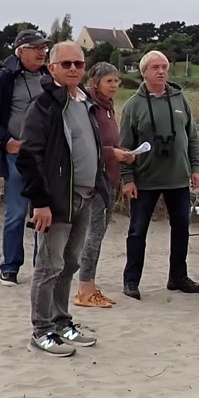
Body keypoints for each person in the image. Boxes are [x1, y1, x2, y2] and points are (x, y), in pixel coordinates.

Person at [18, 42, 110, 357]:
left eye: (79, 64)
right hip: (56, 201)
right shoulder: (43, 106)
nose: (73, 69)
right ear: (52, 68)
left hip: (85, 196)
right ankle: (40, 330)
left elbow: (92, 147)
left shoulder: (85, 102)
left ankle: (61, 322)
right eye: (66, 63)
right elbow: (29, 157)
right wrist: (40, 202)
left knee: (70, 263)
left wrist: (98, 184)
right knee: (49, 265)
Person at [119, 50, 199, 300]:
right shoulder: (133, 106)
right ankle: (131, 280)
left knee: (181, 228)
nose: (161, 71)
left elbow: (192, 137)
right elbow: (124, 147)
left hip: (177, 177)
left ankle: (178, 277)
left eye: (164, 67)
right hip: (145, 179)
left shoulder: (180, 100)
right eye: (155, 67)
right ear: (143, 71)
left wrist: (196, 168)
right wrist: (127, 178)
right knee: (137, 230)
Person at [0, 28, 51, 286]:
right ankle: (10, 267)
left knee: (44, 212)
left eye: (44, 48)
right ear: (21, 51)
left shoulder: (50, 77)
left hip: (47, 158)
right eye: (36, 48)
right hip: (17, 156)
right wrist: (6, 142)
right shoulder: (5, 78)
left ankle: (41, 266)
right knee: (17, 213)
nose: (42, 52)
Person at [73, 62, 136, 308]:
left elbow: (109, 142)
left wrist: (124, 153)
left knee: (97, 235)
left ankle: (89, 285)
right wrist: (114, 153)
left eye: (116, 81)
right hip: (93, 180)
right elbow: (87, 145)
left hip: (109, 178)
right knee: (93, 234)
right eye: (109, 81)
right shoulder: (89, 106)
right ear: (94, 82)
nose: (114, 85)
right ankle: (84, 288)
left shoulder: (108, 107)